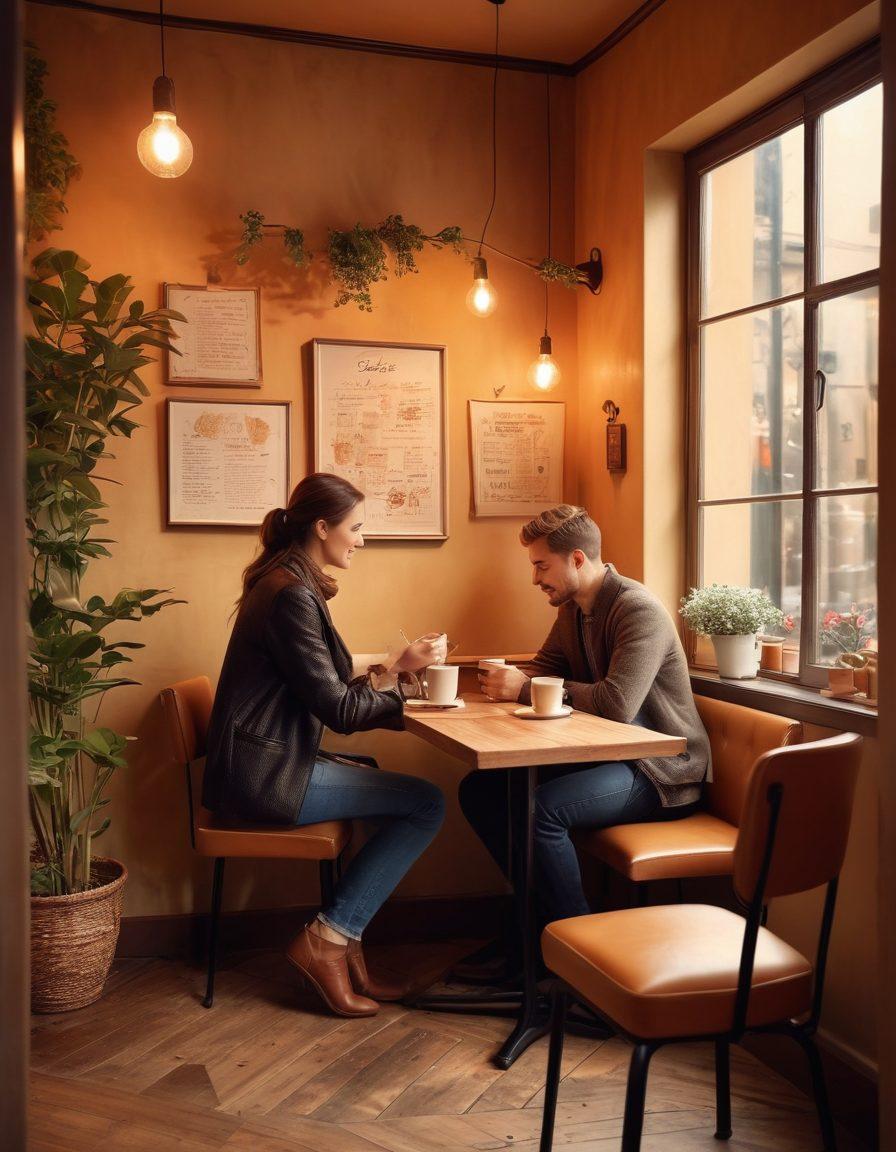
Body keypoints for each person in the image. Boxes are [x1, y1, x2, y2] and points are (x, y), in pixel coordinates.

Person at [203, 473, 447, 1018]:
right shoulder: (292, 595)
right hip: (261, 778)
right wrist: (411, 705)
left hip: (256, 765)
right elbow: (337, 709)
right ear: (322, 527)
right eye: (356, 528)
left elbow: (325, 684)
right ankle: (330, 937)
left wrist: (396, 672)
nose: (361, 539)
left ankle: (347, 939)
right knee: (425, 802)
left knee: (383, 780)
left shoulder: (286, 580)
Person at [460, 504, 710, 941]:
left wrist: (522, 688)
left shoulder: (638, 610)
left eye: (541, 566)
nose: (535, 579)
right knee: (481, 790)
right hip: (609, 756)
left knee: (543, 811)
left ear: (577, 558)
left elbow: (616, 703)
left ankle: (577, 950)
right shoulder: (573, 609)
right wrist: (505, 679)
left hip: (661, 770)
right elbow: (543, 668)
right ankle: (532, 932)